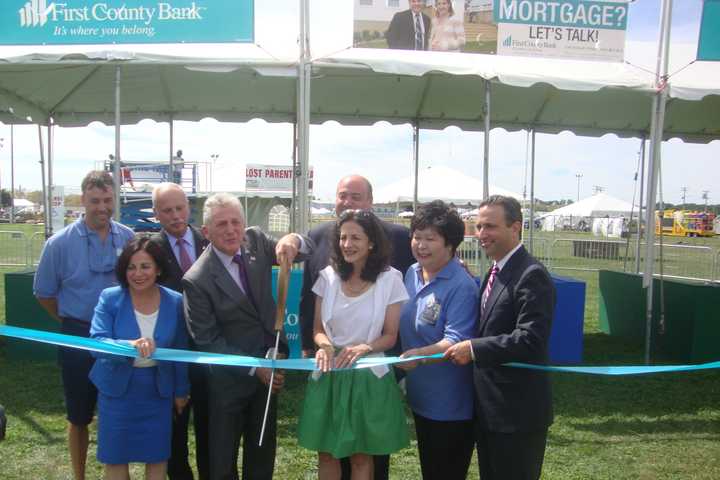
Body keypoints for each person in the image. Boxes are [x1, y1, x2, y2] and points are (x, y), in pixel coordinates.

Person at [182, 193, 312, 480]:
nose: (230, 230)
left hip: (268, 375)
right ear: (206, 232)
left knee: (262, 458)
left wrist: (293, 240)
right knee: (221, 462)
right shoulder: (197, 279)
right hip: (227, 384)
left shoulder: (255, 240)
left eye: (235, 222)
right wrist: (255, 368)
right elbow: (207, 340)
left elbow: (303, 250)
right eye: (221, 224)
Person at [298, 174, 414, 480]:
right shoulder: (327, 277)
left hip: (369, 377)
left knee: (363, 455)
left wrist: (366, 347)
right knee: (327, 452)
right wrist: (324, 345)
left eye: (355, 238)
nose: (347, 244)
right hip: (330, 375)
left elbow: (390, 336)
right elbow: (318, 328)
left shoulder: (391, 279)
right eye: (343, 238)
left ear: (371, 242)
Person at [444, 195, 556, 480]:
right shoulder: (495, 271)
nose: (482, 234)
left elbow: (531, 339)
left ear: (515, 227)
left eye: (490, 226)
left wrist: (473, 348)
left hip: (517, 414)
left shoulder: (531, 274)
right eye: (479, 226)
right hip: (490, 410)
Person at [34, 170, 135, 480]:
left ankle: (116, 472)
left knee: (117, 413)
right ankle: (79, 475)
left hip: (118, 339)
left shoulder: (128, 238)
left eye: (108, 200)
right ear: (83, 201)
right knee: (79, 416)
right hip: (77, 336)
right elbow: (44, 294)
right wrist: (72, 321)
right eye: (95, 201)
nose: (102, 207)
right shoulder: (59, 243)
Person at [90, 237, 190, 480]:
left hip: (157, 394)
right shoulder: (110, 298)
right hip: (117, 393)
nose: (137, 274)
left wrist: (181, 391)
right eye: (131, 267)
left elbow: (180, 349)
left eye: (145, 266)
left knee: (157, 458)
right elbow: (96, 344)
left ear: (158, 269)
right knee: (115, 459)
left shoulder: (175, 301)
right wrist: (129, 346)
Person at [397, 200, 478, 480]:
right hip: (421, 398)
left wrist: (419, 355)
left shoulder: (462, 285)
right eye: (417, 237)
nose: (421, 244)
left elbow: (455, 340)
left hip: (451, 405)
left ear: (451, 244)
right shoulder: (412, 273)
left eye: (430, 239)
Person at [150, 182, 210, 480]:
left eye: (179, 208)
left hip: (212, 353)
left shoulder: (210, 241)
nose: (175, 215)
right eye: (167, 210)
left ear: (189, 207)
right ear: (156, 214)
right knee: (174, 435)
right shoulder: (150, 250)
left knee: (212, 433)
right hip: (172, 356)